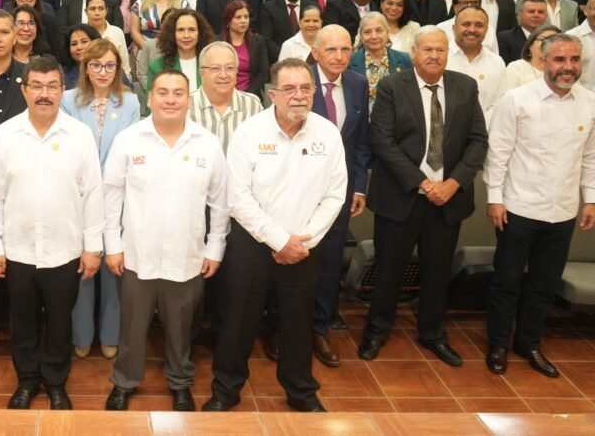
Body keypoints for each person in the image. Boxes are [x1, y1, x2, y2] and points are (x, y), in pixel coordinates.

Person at [204, 58, 346, 414]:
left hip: (303, 246)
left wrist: (302, 242)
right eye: (290, 89)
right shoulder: (249, 133)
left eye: (305, 88)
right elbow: (238, 197)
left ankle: (301, 391)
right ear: (272, 94)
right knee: (238, 321)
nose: (298, 96)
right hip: (253, 244)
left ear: (314, 91)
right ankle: (226, 389)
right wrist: (279, 240)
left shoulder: (327, 134)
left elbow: (335, 195)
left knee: (297, 323)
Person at [357, 27, 488, 367]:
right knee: (388, 269)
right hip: (402, 196)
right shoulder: (391, 87)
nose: (434, 56)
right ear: (413, 52)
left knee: (437, 271)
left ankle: (433, 333)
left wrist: (453, 183)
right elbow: (382, 140)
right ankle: (377, 329)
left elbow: (477, 141)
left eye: (440, 50)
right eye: (428, 49)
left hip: (448, 199)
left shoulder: (465, 86)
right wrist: (423, 183)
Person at [0, 56, 104, 411]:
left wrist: (93, 246)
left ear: (62, 91)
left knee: (60, 322)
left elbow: (92, 193)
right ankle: (27, 380)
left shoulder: (79, 136)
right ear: (24, 90)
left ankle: (55, 382)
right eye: (37, 86)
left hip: (64, 250)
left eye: (52, 86)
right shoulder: (5, 135)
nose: (44, 94)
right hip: (17, 251)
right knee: (23, 322)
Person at [103, 69, 228, 412]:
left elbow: (220, 202)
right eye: (163, 92)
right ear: (149, 97)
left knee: (180, 328)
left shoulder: (207, 143)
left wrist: (215, 247)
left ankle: (180, 383)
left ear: (189, 99)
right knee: (132, 326)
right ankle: (124, 381)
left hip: (187, 255)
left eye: (178, 93)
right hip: (136, 255)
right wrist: (112, 245)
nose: (170, 99)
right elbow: (111, 195)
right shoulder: (129, 140)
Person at [483, 33, 595, 378]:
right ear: (543, 61)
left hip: (562, 211)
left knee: (544, 284)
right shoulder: (516, 100)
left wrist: (590, 197)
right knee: (507, 281)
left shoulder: (590, 101)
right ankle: (498, 343)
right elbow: (498, 153)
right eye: (560, 60)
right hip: (517, 207)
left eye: (574, 60)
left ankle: (528, 343)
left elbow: (590, 156)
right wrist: (494, 199)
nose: (568, 67)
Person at [59, 40, 140, 361]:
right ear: (85, 68)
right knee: (83, 266)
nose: (102, 72)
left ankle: (109, 335)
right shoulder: (68, 101)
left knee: (113, 268)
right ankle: (81, 335)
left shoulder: (130, 102)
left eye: (109, 66)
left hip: (117, 196)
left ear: (118, 69)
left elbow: (132, 149)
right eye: (95, 65)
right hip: (78, 195)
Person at [303, 26, 370, 366]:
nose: (339, 57)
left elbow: (360, 142)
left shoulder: (358, 83)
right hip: (296, 192)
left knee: (329, 263)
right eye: (331, 50)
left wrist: (359, 186)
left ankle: (320, 326)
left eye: (346, 49)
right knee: (292, 259)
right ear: (315, 52)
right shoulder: (299, 81)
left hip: (338, 194)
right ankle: (283, 327)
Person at [446, 6, 508, 125]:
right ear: (453, 29)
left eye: (479, 25)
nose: (472, 30)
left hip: (484, 133)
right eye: (466, 24)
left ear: (487, 30)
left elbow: (500, 102)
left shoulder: (497, 62)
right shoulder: (440, 57)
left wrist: (478, 126)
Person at [147, 8, 214, 93]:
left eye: (191, 30)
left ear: (200, 33)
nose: (186, 35)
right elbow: (151, 104)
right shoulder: (157, 66)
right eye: (180, 30)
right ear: (172, 33)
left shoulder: (212, 64)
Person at [503, 25, 560, 90]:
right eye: (542, 40)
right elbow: (509, 97)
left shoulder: (563, 68)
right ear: (530, 44)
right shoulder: (516, 67)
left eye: (554, 41)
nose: (547, 44)